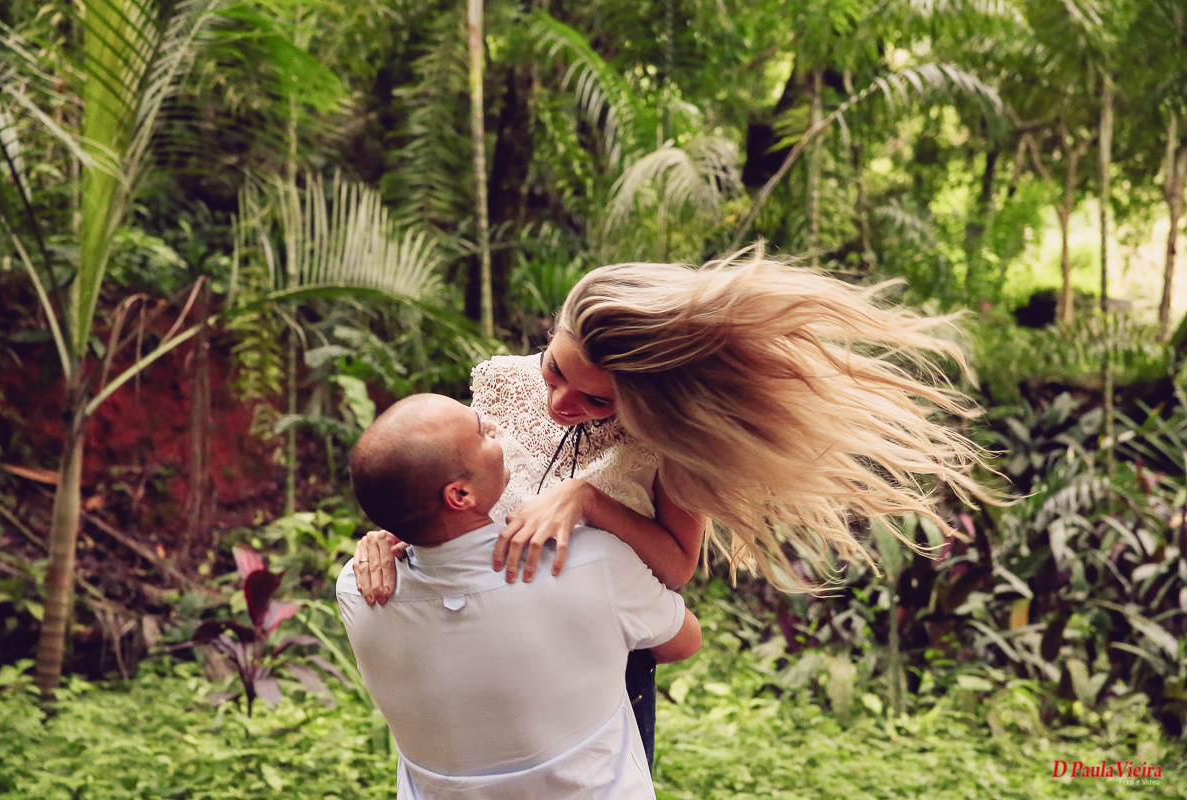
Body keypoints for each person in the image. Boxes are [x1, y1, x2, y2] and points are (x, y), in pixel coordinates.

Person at [354, 247, 996, 759]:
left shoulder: (668, 445)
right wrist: (392, 536)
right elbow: (450, 493)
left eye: (597, 400)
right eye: (554, 368)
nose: (560, 404)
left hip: (607, 664)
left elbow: (678, 567)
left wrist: (588, 501)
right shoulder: (500, 387)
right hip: (487, 645)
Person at [337, 394, 701, 800]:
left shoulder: (358, 587)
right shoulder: (591, 562)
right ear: (460, 496)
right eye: (481, 432)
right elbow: (683, 642)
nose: (495, 427)